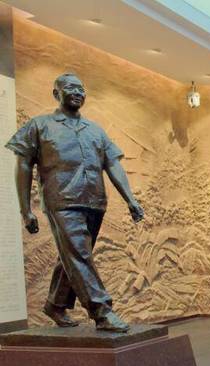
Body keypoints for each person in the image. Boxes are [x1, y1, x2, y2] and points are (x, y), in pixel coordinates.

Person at [6, 73, 144, 332]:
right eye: (71, 87)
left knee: (74, 254)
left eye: (82, 89)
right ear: (56, 93)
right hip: (62, 201)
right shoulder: (39, 126)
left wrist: (131, 199)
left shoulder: (95, 130)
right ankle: (101, 311)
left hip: (95, 202)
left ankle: (55, 304)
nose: (78, 92)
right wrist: (25, 210)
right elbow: (23, 165)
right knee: (79, 254)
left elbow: (112, 164)